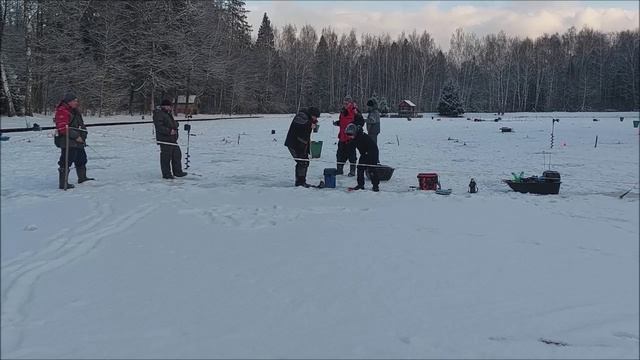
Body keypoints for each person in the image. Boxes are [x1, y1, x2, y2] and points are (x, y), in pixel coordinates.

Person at [54, 93, 94, 189]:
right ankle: (63, 183)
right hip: (67, 140)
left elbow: (81, 125)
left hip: (79, 140)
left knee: (82, 158)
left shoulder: (75, 111)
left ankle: (82, 177)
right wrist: (76, 136)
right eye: (75, 101)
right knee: (67, 160)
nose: (77, 102)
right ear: (69, 101)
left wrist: (83, 136)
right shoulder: (62, 111)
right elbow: (62, 128)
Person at [284, 106, 320, 187]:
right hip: (294, 144)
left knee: (305, 161)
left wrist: (313, 123)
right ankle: (300, 182)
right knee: (301, 162)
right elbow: (301, 123)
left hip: (302, 144)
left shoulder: (309, 119)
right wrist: (310, 124)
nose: (315, 118)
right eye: (315, 116)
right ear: (311, 114)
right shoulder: (301, 115)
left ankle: (301, 181)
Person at [153, 99, 187, 179]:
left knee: (177, 155)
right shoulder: (159, 114)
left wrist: (176, 124)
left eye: (170, 106)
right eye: (169, 106)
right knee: (166, 157)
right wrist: (169, 131)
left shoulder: (167, 114)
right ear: (164, 106)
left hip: (172, 139)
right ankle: (166, 174)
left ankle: (178, 172)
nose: (170, 108)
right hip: (165, 139)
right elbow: (159, 126)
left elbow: (171, 123)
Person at [344, 123, 380, 192]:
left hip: (372, 153)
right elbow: (352, 146)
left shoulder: (360, 137)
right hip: (364, 153)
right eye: (348, 135)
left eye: (350, 135)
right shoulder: (356, 137)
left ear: (354, 133)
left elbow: (356, 144)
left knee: (372, 169)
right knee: (360, 168)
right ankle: (360, 185)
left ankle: (375, 186)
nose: (349, 137)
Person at [333, 95, 358, 176]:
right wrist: (337, 123)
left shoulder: (354, 111)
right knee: (340, 154)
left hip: (350, 137)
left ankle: (352, 171)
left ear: (351, 103)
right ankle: (339, 170)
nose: (345, 104)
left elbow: (359, 121)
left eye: (347, 103)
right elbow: (342, 121)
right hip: (342, 137)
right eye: (344, 103)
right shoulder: (343, 111)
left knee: (351, 155)